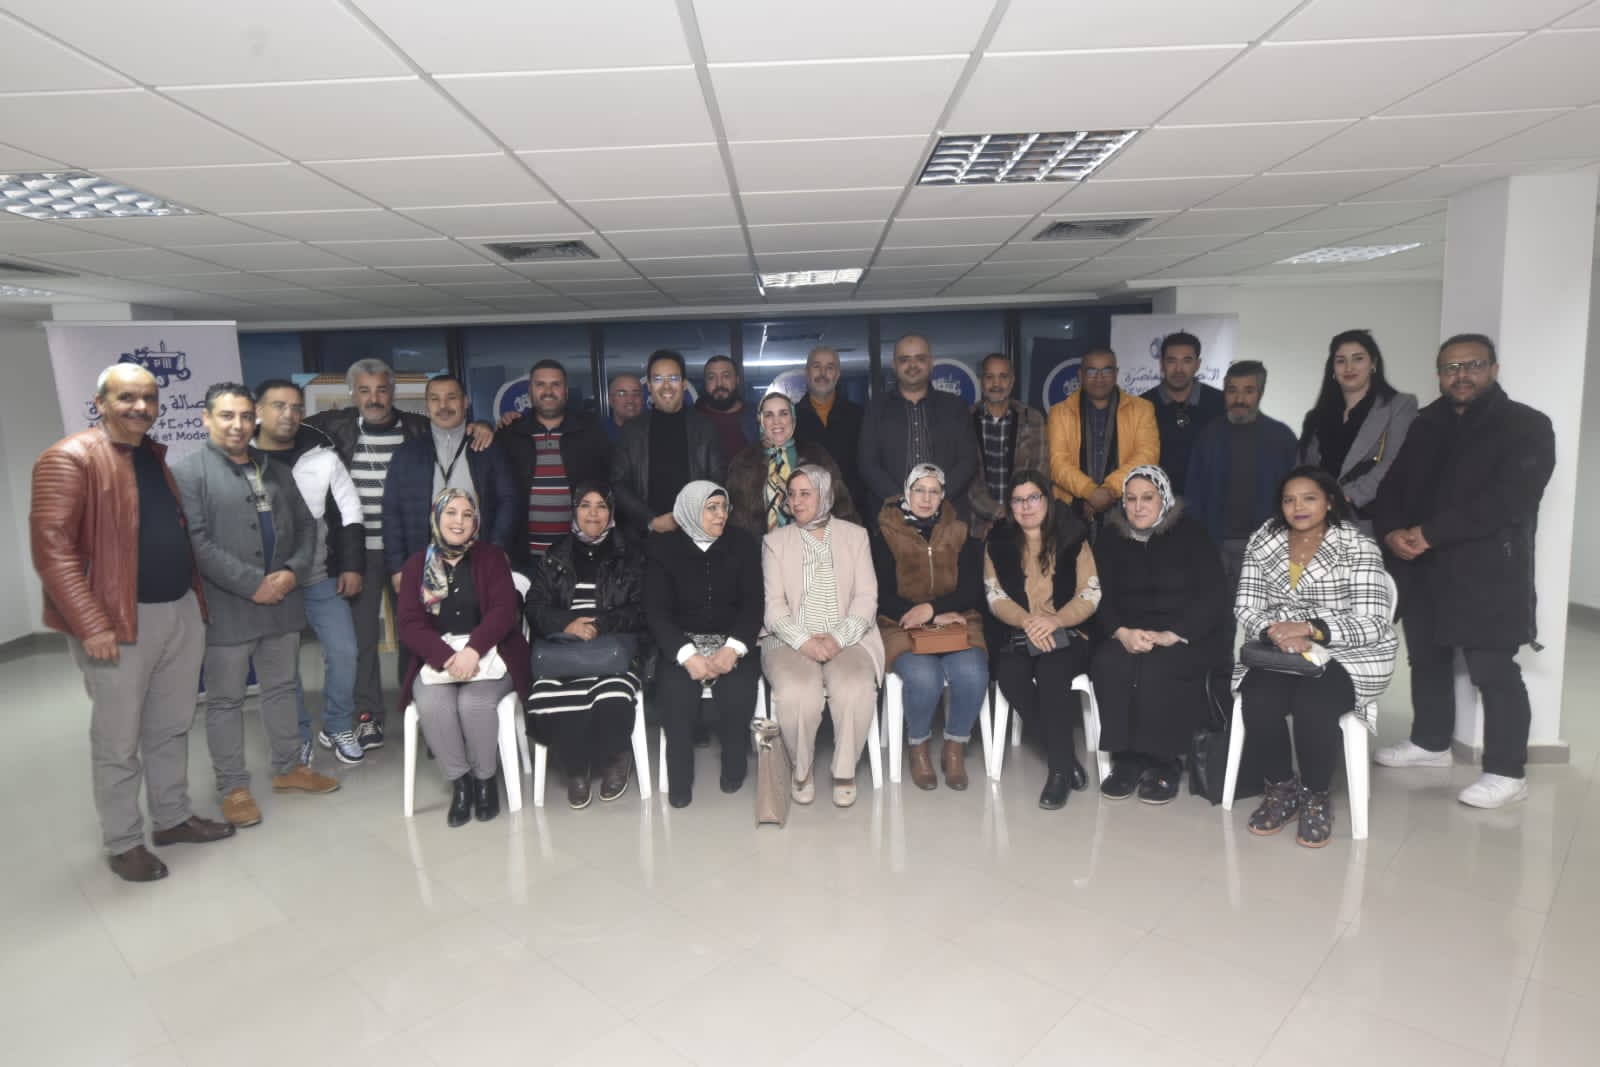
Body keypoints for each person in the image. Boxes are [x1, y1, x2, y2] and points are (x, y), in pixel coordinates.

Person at [30, 363, 234, 883]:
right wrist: (90, 623)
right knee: (118, 740)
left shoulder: (153, 456)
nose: (140, 407)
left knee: (171, 726)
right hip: (117, 623)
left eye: (148, 398)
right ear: (100, 403)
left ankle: (172, 819)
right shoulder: (69, 458)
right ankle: (123, 842)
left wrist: (193, 605)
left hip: (179, 610)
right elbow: (52, 552)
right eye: (126, 397)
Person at [1373, 334, 1556, 809]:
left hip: (1488, 569)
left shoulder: (1527, 425)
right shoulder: (1425, 423)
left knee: (1493, 670)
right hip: (1423, 566)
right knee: (1427, 658)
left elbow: (1509, 500)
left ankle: (1507, 772)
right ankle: (1430, 742)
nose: (1461, 375)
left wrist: (1429, 532)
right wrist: (1391, 531)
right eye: (1451, 368)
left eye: (1472, 365)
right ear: (1439, 375)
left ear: (1493, 369)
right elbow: (1393, 485)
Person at [173, 383, 340, 830]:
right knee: (226, 700)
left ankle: (290, 768)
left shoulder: (275, 469)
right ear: (206, 419)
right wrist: (252, 584)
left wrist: (292, 572)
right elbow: (197, 544)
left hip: (282, 601)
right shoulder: (188, 474)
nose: (238, 425)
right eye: (227, 416)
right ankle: (233, 787)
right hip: (228, 608)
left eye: (246, 416)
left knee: (282, 687)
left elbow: (307, 528)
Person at [306, 358, 491, 751]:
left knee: (417, 633)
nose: (374, 398)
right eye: (364, 390)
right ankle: (368, 715)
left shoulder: (416, 428)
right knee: (362, 639)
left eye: (381, 389)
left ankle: (421, 708)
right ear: (352, 394)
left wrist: (482, 425)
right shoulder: (335, 430)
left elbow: (453, 428)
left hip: (412, 551)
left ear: (393, 392)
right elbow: (286, 429)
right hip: (357, 555)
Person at [1234, 467, 1397, 847]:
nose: (1299, 507)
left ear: (1329, 502)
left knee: (1313, 704)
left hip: (1349, 651)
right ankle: (1282, 789)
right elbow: (1246, 605)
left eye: (1309, 498)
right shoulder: (1264, 540)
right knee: (1257, 699)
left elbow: (1374, 622)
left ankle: (1315, 795)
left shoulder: (1357, 546)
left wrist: (1310, 629)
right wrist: (1276, 632)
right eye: (1289, 500)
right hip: (1281, 647)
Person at [1091, 465, 1232, 804]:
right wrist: (1121, 633)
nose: (1138, 507)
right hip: (1130, 632)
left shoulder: (1192, 534)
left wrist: (1175, 633)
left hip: (1185, 633)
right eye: (1131, 499)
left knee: (1159, 667)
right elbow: (1097, 595)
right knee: (1110, 663)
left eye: (1147, 498)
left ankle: (1163, 761)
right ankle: (1126, 759)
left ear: (1163, 499)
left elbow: (1213, 596)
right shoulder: (1110, 537)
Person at [395, 489, 531, 826]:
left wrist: (472, 651)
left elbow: (504, 612)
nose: (459, 521)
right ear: (436, 517)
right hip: (436, 658)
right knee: (434, 705)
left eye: (467, 514)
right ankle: (461, 782)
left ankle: (485, 780)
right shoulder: (417, 565)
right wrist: (447, 657)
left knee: (474, 703)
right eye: (451, 513)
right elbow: (409, 624)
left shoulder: (492, 558)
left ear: (476, 522)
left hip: (491, 652)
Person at [253, 379, 367, 767]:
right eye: (278, 406)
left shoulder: (323, 455)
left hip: (320, 575)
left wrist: (351, 565)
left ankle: (337, 725)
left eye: (296, 407)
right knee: (284, 666)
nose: (289, 414)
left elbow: (350, 512)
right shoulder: (241, 457)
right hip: (271, 583)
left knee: (344, 651)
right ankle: (297, 734)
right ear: (259, 410)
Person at [761, 466, 884, 808]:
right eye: (792, 494)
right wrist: (806, 642)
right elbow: (774, 607)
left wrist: (836, 639)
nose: (796, 502)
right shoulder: (775, 542)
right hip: (789, 637)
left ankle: (845, 770)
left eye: (806, 493)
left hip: (848, 635)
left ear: (825, 494)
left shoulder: (855, 536)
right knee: (797, 691)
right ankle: (801, 770)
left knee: (855, 686)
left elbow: (867, 598)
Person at [983, 469, 1100, 809]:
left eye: (1033, 498)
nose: (1026, 507)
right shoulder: (998, 541)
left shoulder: (1073, 535)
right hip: (1019, 631)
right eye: (1017, 500)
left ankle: (1059, 774)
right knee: (1010, 675)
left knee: (1051, 672)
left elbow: (1090, 593)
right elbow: (995, 595)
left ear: (1047, 500)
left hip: (1067, 631)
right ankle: (1064, 757)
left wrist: (1055, 621)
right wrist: (1027, 621)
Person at [524, 482, 646, 808]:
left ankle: (615, 757)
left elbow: (640, 609)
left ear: (611, 512)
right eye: (585, 505)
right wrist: (568, 624)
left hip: (611, 650)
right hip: (563, 650)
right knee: (549, 699)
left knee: (612, 696)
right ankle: (575, 767)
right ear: (574, 510)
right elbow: (534, 606)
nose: (593, 513)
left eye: (601, 506)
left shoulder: (629, 553)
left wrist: (601, 624)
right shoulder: (555, 554)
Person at [645, 481, 763, 807]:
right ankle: (680, 780)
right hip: (681, 643)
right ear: (690, 510)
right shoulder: (664, 549)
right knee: (675, 693)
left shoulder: (742, 543)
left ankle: (734, 768)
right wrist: (687, 655)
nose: (720, 514)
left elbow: (753, 605)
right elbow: (656, 611)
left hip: (732, 640)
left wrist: (733, 648)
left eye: (724, 507)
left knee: (737, 690)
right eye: (711, 508)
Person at [872, 464, 988, 791]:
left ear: (943, 496)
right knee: (925, 677)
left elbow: (972, 589)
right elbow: (880, 594)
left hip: (957, 619)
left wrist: (935, 609)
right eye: (919, 490)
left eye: (934, 491)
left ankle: (954, 747)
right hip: (901, 623)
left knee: (972, 673)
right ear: (906, 493)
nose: (926, 498)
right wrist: (928, 615)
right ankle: (919, 746)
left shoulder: (960, 530)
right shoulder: (885, 532)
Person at [383, 374, 518, 578]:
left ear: (466, 401)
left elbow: (508, 500)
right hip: (423, 565)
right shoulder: (406, 454)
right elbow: (392, 513)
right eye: (435, 399)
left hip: (479, 563)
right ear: (427, 405)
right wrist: (398, 568)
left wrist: (498, 548)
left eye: (451, 397)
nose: (443, 406)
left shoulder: (488, 448)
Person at [1185, 361, 1299, 589]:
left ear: (1261, 393)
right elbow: (1193, 495)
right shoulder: (1207, 436)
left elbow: (1296, 495)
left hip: (1266, 547)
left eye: (1248, 391)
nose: (1239, 399)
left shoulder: (1282, 438)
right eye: (1232, 390)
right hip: (1214, 545)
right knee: (1216, 608)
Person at [496, 359, 612, 572]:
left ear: (565, 391)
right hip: (524, 558)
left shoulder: (591, 432)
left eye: (555, 384)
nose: (548, 391)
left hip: (580, 554)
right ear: (530, 391)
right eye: (541, 384)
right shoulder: (510, 434)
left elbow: (610, 487)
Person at [1298, 329, 1419, 529]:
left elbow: (1394, 462)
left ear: (1373, 363)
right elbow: (1303, 469)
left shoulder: (1399, 405)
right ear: (1332, 368)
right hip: (1319, 521)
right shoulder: (1316, 417)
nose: (1349, 367)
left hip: (1370, 520)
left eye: (1358, 359)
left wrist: (1345, 497)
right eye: (1341, 361)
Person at [859, 333, 978, 521]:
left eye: (920, 359)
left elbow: (968, 461)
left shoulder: (955, 407)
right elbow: (868, 464)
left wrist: (935, 498)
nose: (912, 365)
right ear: (894, 365)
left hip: (948, 518)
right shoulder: (876, 409)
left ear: (930, 363)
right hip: (891, 518)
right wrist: (903, 501)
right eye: (904, 359)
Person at [612, 349, 727, 539]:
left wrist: (690, 517)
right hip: (645, 539)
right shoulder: (631, 431)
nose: (666, 386)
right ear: (649, 385)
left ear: (683, 384)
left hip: (696, 534)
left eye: (673, 378)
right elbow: (618, 485)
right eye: (658, 379)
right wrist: (651, 520)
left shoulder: (706, 428)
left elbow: (718, 482)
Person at [1047, 346, 1159, 531]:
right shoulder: (1059, 412)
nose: (1099, 378)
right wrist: (1090, 492)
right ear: (1081, 375)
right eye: (1092, 371)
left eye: (1106, 371)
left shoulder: (1142, 409)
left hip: (1127, 511)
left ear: (1116, 373)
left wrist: (1108, 491)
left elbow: (1147, 456)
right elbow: (1056, 463)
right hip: (1070, 514)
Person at [726, 391, 857, 540]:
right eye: (769, 415)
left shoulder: (817, 456)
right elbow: (735, 523)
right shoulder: (743, 463)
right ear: (761, 421)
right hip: (759, 550)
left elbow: (842, 508)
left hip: (814, 547)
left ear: (793, 418)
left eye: (783, 413)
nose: (777, 422)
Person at [969, 354, 1051, 539]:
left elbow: (1040, 473)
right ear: (981, 381)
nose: (996, 383)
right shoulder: (965, 420)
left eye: (1003, 376)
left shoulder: (1032, 418)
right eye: (989, 377)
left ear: (1012, 381)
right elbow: (967, 479)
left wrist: (1012, 516)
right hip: (977, 525)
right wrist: (996, 514)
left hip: (1024, 522)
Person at [1140, 331, 1226, 496]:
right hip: (1156, 502)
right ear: (1161, 364)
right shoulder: (1141, 406)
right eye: (1171, 361)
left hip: (1209, 501)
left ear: (1197, 364)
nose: (1178, 369)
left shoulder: (1221, 404)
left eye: (1187, 361)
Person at [794, 345, 866, 514]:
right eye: (816, 366)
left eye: (830, 367)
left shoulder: (859, 416)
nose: (823, 373)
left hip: (851, 510)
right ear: (807, 373)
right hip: (805, 511)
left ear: (838, 374)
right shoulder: (791, 419)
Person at [695, 354, 759, 464]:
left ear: (737, 380)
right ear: (705, 383)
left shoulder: (756, 417)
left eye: (726, 376)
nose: (719, 384)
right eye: (711, 377)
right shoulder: (693, 419)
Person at [604, 372, 645, 442]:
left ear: (643, 400)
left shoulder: (655, 432)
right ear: (610, 401)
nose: (630, 400)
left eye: (636, 394)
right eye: (622, 394)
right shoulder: (597, 434)